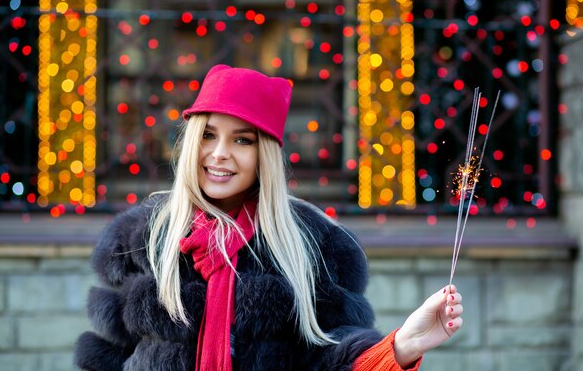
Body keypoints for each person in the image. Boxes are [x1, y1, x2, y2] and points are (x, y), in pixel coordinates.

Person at [74, 64, 463, 371]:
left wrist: (404, 345)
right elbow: (109, 357)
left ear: (266, 155)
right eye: (208, 135)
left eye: (242, 140)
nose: (220, 153)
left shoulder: (314, 245)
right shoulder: (141, 237)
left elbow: (333, 360)